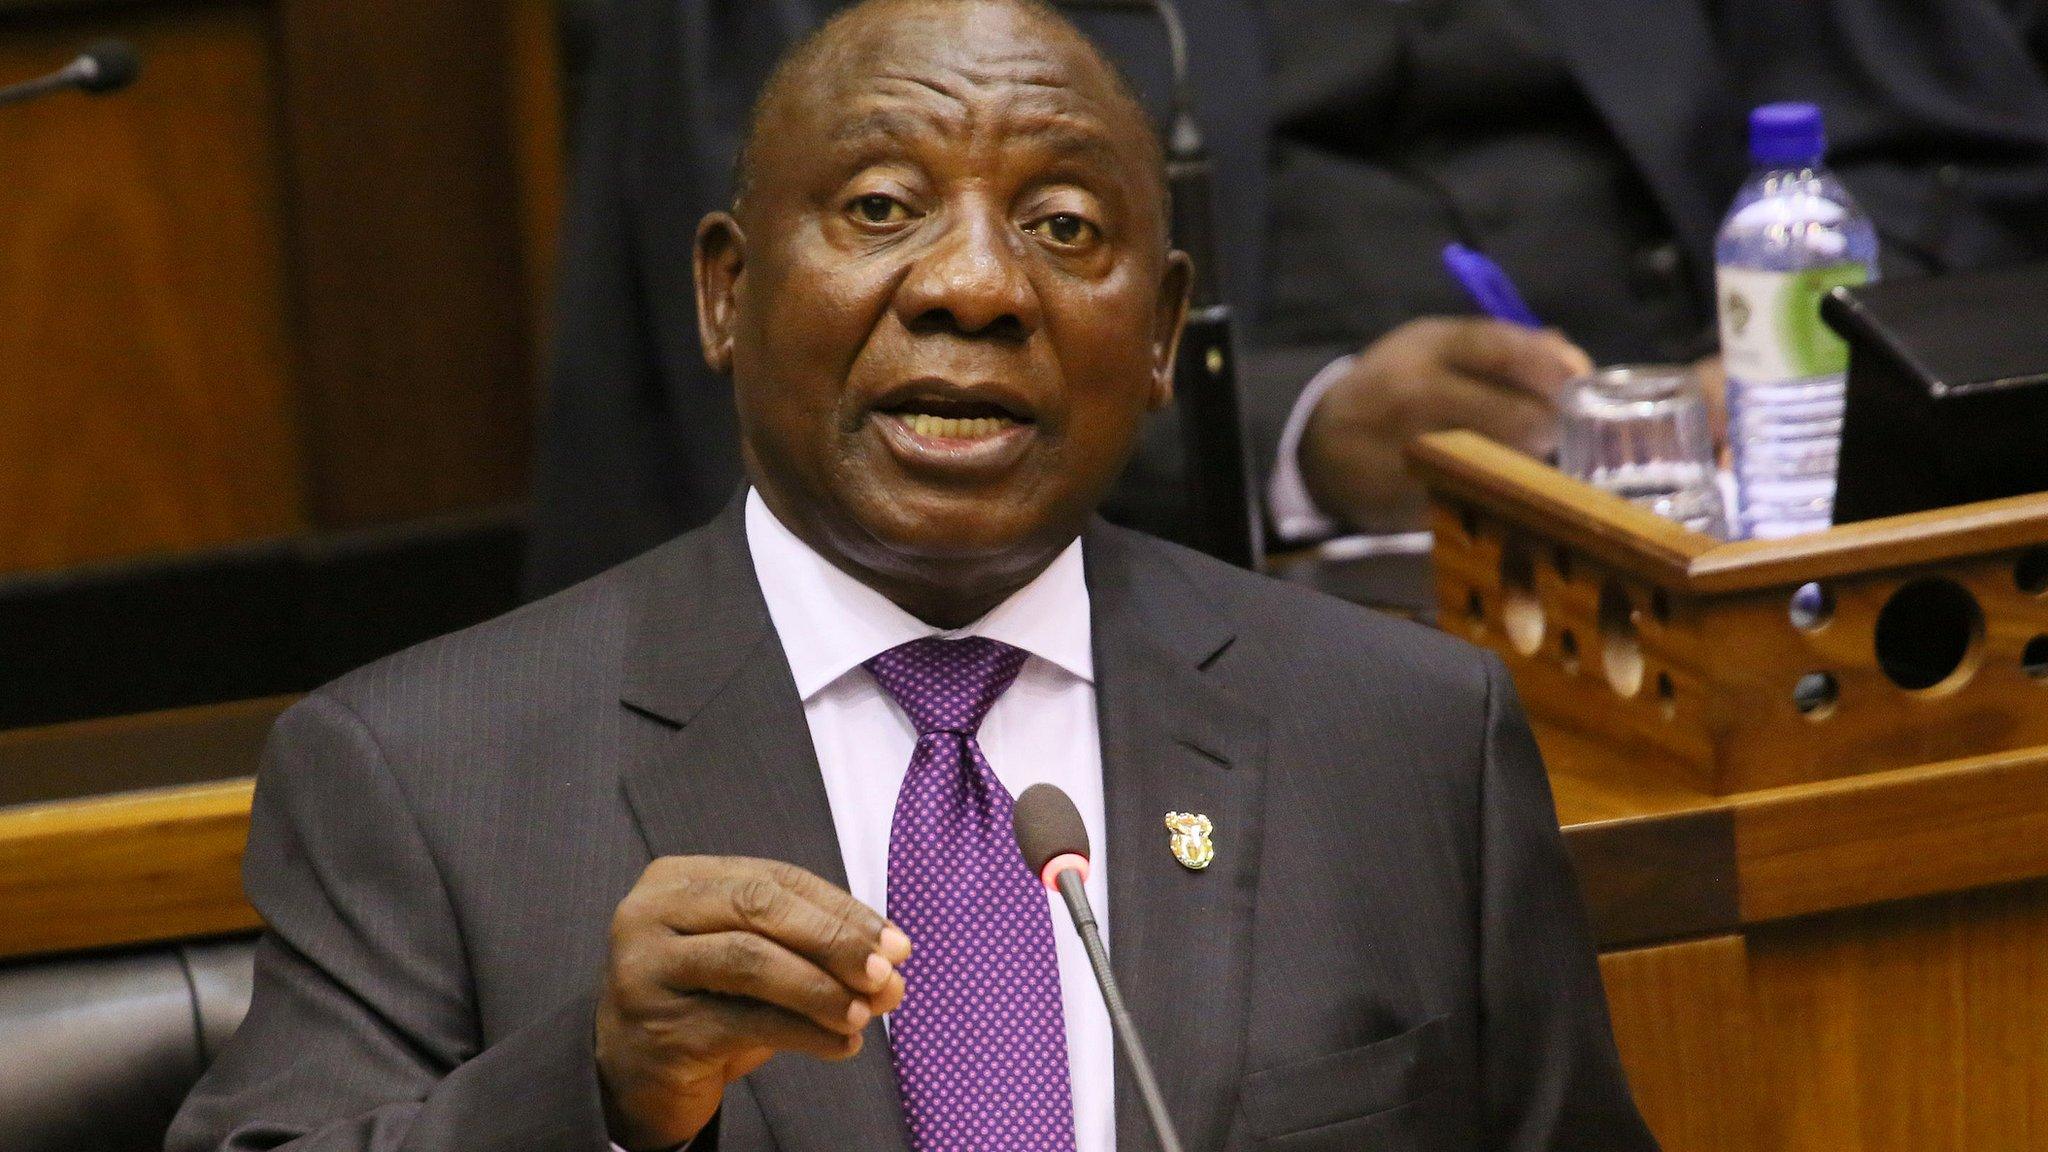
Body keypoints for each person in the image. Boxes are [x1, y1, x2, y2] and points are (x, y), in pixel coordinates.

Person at [171, 2, 1655, 1148]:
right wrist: (602, 1097)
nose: (977, 286)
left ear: (1158, 335)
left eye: (1066, 228)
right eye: (881, 209)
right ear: (728, 293)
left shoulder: (1402, 738)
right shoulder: (427, 773)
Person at [521, 0, 2048, 592]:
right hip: (1208, 580)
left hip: (1729, 536)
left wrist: (1811, 375)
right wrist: (1302, 437)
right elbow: (839, 333)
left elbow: (1939, 146)